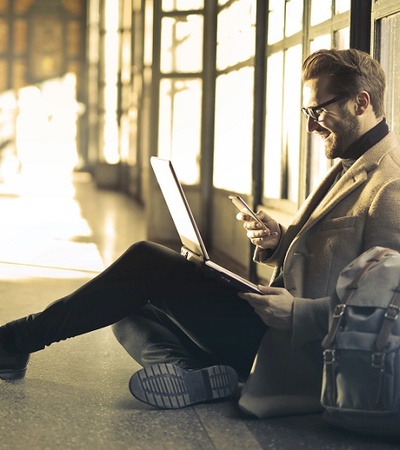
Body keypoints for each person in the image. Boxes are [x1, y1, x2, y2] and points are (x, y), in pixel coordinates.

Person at [1, 48, 400, 414]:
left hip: (300, 348)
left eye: (317, 111)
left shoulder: (390, 183)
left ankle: (14, 341)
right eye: (307, 113)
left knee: (144, 262)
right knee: (124, 304)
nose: (311, 126)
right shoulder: (349, 161)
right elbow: (335, 256)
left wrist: (299, 312)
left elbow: (387, 311)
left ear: (360, 102)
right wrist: (280, 241)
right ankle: (197, 373)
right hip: (274, 327)